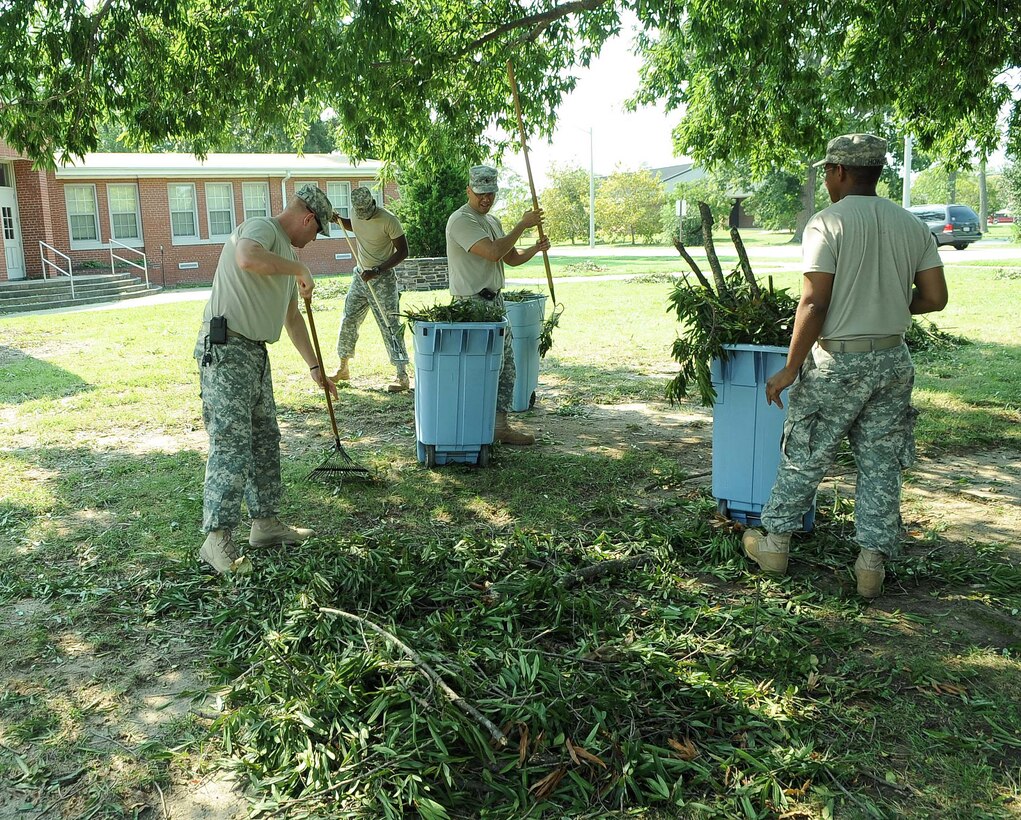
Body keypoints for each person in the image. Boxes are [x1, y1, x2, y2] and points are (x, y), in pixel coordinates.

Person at [741, 133, 948, 599]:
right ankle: (871, 565)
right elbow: (935, 298)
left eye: (828, 172)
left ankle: (774, 545)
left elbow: (814, 303)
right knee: (881, 461)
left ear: (837, 171)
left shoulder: (826, 224)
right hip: (894, 359)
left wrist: (791, 367)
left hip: (839, 360)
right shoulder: (911, 224)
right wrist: (889, 305)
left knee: (807, 450)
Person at [194, 184, 339, 575]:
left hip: (255, 354)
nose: (314, 239)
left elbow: (291, 318)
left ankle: (265, 524)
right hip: (226, 350)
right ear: (308, 218)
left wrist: (315, 368)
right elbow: (246, 258)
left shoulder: (285, 253)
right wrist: (300, 269)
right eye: (317, 231)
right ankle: (217, 539)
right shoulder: (261, 228)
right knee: (232, 443)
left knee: (264, 439)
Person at [445, 165, 551, 445]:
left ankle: (500, 426)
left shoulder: (493, 222)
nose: (486, 199)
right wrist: (522, 224)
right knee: (480, 368)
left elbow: (510, 258)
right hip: (472, 306)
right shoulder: (460, 220)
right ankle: (472, 425)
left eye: (490, 193)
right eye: (480, 193)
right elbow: (492, 253)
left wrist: (535, 249)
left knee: (505, 367)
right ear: (469, 190)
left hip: (496, 303)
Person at [330, 187, 411, 392]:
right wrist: (338, 220)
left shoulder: (388, 220)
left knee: (390, 324)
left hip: (382, 280)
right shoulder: (357, 213)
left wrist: (378, 270)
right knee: (349, 318)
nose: (362, 215)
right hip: (360, 277)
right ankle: (343, 367)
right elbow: (355, 226)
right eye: (358, 213)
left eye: (365, 211)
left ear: (372, 203)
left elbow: (403, 251)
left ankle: (402, 375)